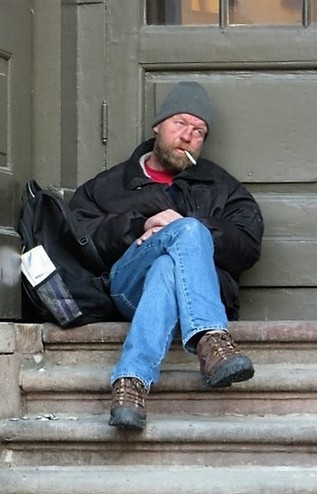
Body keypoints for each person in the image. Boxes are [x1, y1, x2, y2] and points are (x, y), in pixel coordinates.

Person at [70, 81, 264, 430]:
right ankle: (211, 339)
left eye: (198, 131)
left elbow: (248, 246)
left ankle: (130, 382)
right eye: (180, 123)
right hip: (129, 289)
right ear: (157, 126)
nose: (187, 136)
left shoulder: (222, 187)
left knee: (167, 262)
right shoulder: (108, 186)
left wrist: (192, 229)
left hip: (196, 291)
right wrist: (139, 225)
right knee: (183, 235)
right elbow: (79, 237)